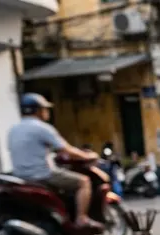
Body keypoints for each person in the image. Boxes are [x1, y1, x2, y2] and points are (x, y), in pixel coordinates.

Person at [7, 93, 102, 228]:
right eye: (45, 109)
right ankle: (82, 218)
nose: (47, 112)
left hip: (21, 176)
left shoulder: (13, 129)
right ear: (38, 110)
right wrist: (88, 156)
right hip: (42, 174)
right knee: (83, 182)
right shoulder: (42, 128)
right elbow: (67, 150)